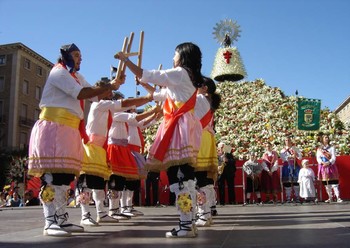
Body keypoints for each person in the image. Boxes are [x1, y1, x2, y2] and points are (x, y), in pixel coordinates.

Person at [27, 43, 123, 237]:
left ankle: (61, 218)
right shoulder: (58, 72)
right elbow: (81, 94)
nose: (80, 58)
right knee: (52, 176)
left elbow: (95, 93)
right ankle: (49, 221)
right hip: (54, 126)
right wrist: (111, 85)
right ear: (65, 56)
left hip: (69, 130)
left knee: (64, 178)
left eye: (81, 55)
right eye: (77, 55)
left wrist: (114, 84)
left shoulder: (77, 77)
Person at [115, 42, 203, 238]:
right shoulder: (186, 78)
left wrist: (126, 60)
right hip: (183, 128)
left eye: (175, 53)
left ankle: (186, 225)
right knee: (185, 178)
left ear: (182, 56)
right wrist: (143, 82)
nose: (173, 58)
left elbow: (154, 75)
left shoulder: (180, 72)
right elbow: (159, 94)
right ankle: (188, 222)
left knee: (179, 178)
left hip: (177, 129)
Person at [77, 81, 154, 227]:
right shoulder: (99, 104)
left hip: (100, 148)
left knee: (98, 184)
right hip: (91, 146)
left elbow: (129, 111)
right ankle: (85, 215)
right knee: (86, 183)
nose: (110, 93)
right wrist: (148, 98)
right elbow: (125, 107)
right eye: (107, 91)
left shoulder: (108, 109)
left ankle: (101, 213)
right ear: (99, 91)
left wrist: (152, 108)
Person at [194, 76, 221, 227]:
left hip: (200, 138)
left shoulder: (199, 99)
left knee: (199, 179)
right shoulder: (208, 101)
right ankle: (206, 213)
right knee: (205, 180)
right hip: (207, 139)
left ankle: (203, 214)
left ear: (204, 88)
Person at [316, 134, 342, 203]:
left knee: (334, 182)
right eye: (325, 138)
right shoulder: (319, 149)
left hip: (331, 166)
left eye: (327, 137)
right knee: (327, 184)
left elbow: (333, 157)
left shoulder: (331, 148)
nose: (326, 139)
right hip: (323, 167)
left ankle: (338, 197)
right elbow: (318, 158)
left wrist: (329, 162)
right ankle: (330, 197)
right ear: (322, 139)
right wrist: (322, 163)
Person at [280, 135, 302, 203]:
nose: (287, 142)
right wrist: (290, 156)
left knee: (296, 182)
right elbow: (283, 158)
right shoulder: (283, 150)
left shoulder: (295, 148)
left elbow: (300, 157)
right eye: (286, 140)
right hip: (287, 166)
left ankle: (297, 197)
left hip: (295, 165)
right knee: (287, 182)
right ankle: (288, 197)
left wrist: (296, 155)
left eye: (289, 140)